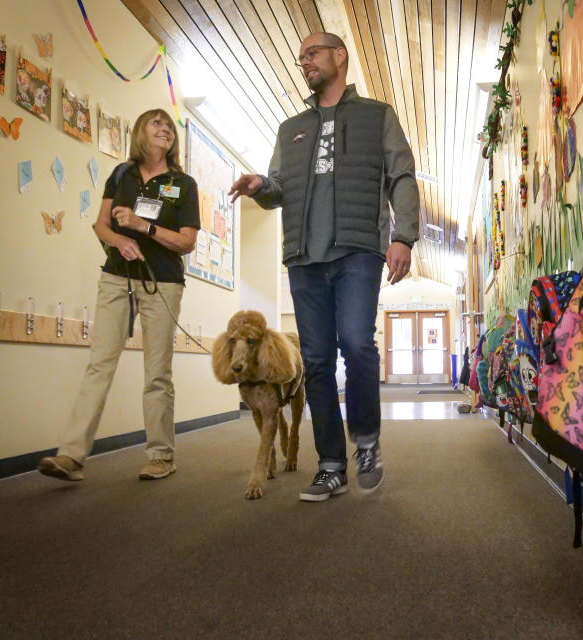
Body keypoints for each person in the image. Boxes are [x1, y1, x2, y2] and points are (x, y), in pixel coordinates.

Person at [229, 32, 419, 502]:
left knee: (356, 343)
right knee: (315, 362)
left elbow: (402, 175)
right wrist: (260, 185)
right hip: (304, 257)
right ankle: (331, 464)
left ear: (340, 56)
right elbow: (278, 189)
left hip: (358, 250)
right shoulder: (290, 128)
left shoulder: (377, 116)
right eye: (301, 58)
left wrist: (403, 236)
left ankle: (367, 443)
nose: (304, 62)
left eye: (312, 54)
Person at [37, 109, 200, 482]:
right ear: (140, 131)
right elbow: (101, 224)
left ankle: (161, 456)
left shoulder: (183, 183)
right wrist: (119, 238)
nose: (164, 129)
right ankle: (71, 456)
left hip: (162, 283)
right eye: (156, 122)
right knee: (99, 365)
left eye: (169, 126)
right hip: (116, 279)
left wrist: (144, 226)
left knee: (157, 373)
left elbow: (187, 242)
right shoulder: (121, 174)